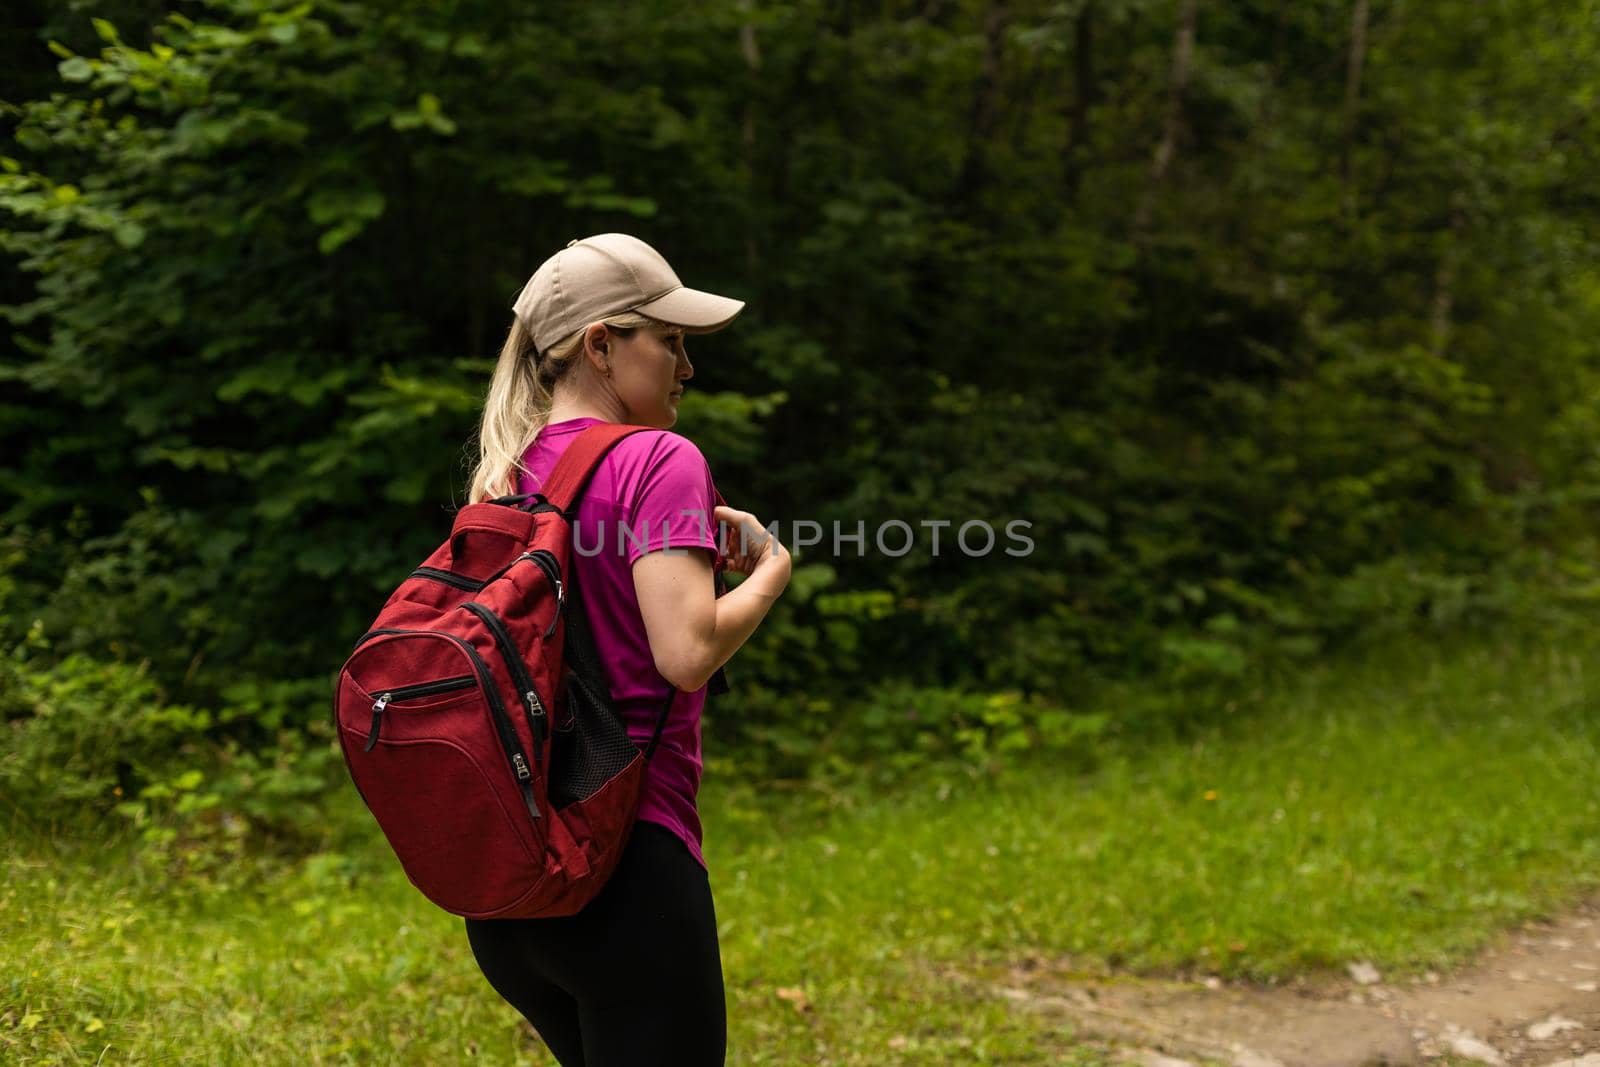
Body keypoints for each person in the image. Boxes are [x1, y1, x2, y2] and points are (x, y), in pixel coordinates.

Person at [459, 233, 791, 1066]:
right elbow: (686, 651)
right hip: (625, 869)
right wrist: (771, 574)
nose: (688, 368)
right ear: (601, 344)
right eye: (670, 341)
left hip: (510, 884)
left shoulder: (506, 473)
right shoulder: (659, 458)